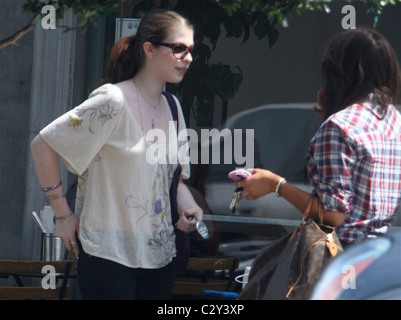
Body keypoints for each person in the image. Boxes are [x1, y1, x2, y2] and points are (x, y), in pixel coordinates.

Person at [30, 9, 203, 300]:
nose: (188, 58)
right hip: (107, 254)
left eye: (191, 50)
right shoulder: (112, 99)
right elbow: (43, 143)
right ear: (149, 49)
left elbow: (175, 180)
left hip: (159, 258)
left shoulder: (173, 107)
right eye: (178, 48)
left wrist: (190, 209)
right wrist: (62, 215)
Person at [238, 27, 401, 247]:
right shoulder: (393, 120)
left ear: (339, 73)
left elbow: (333, 215)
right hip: (381, 257)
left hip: (342, 258)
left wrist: (275, 184)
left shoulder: (339, 126)